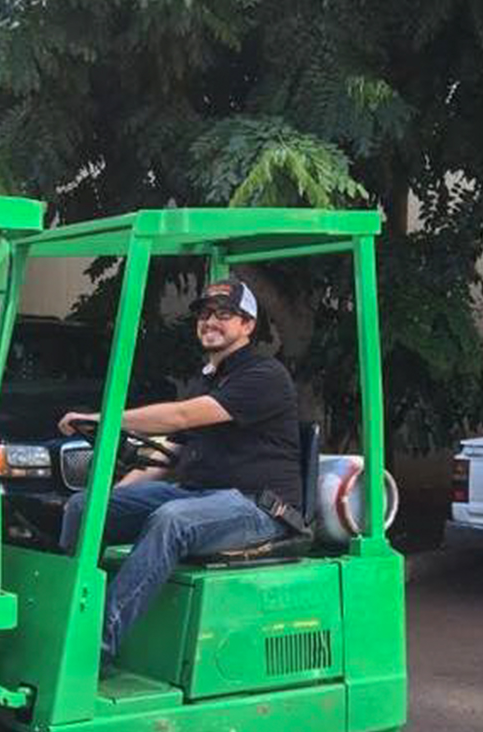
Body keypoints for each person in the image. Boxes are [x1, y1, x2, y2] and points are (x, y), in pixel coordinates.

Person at [58, 278, 301, 663]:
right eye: (205, 314)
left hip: (258, 507)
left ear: (248, 325)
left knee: (172, 519)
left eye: (224, 314)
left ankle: (91, 650)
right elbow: (167, 453)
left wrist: (105, 419)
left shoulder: (263, 375)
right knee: (84, 507)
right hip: (200, 496)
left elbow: (181, 417)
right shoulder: (206, 380)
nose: (210, 321)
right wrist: (114, 498)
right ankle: (66, 617)